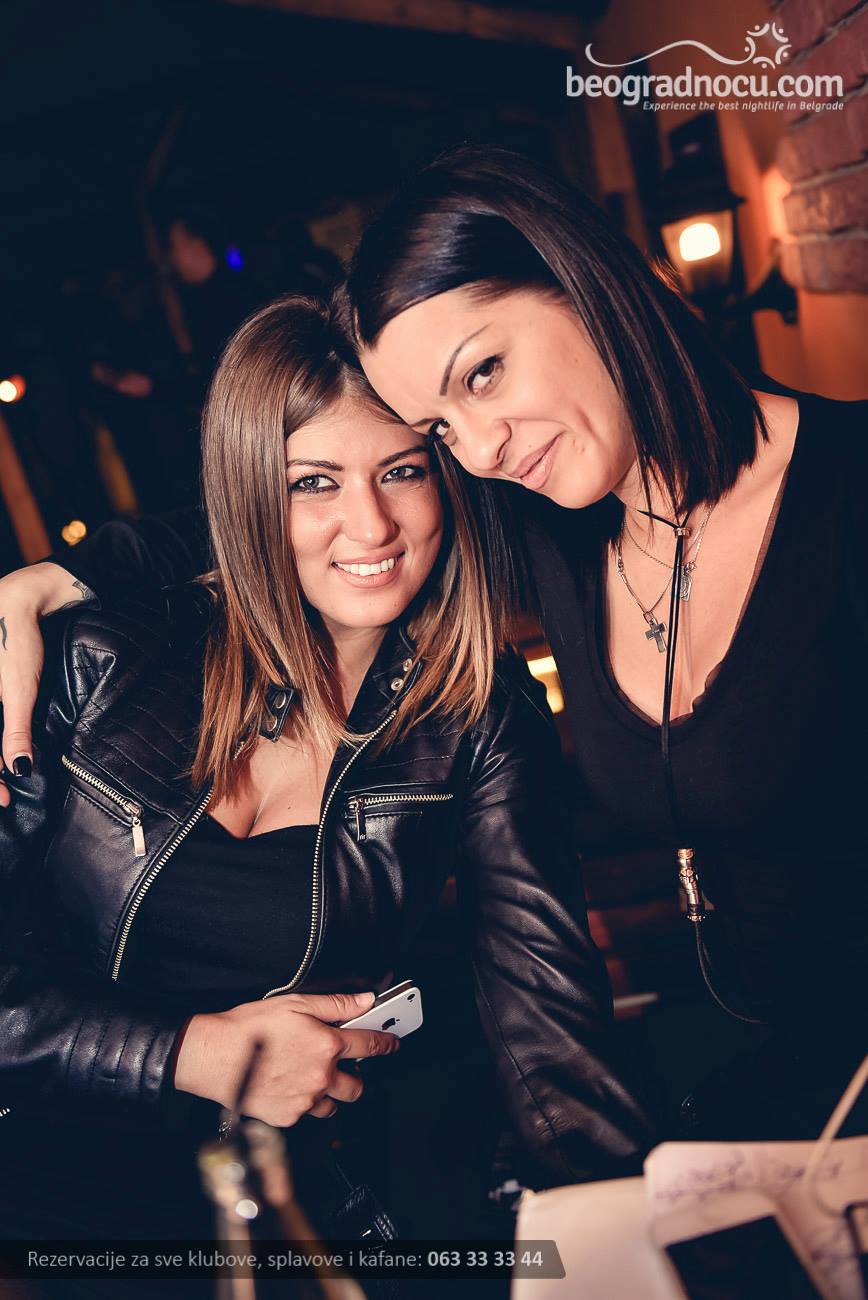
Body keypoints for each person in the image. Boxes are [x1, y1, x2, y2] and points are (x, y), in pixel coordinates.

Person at [0, 294, 651, 1270]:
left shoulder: (477, 711)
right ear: (250, 496)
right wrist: (188, 1052)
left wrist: (615, 1234)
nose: (371, 524)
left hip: (298, 1217)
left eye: (402, 470)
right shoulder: (90, 663)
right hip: (45, 1220)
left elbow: (544, 1010)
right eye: (314, 481)